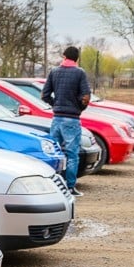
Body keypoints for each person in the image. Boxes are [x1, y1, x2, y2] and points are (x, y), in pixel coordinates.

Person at [41, 46, 91, 197]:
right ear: (77, 58)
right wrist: (79, 108)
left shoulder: (54, 72)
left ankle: (51, 185)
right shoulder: (79, 73)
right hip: (72, 119)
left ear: (64, 56)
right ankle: (70, 187)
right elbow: (86, 96)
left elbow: (44, 94)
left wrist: (55, 104)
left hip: (56, 118)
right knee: (72, 154)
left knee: (54, 152)